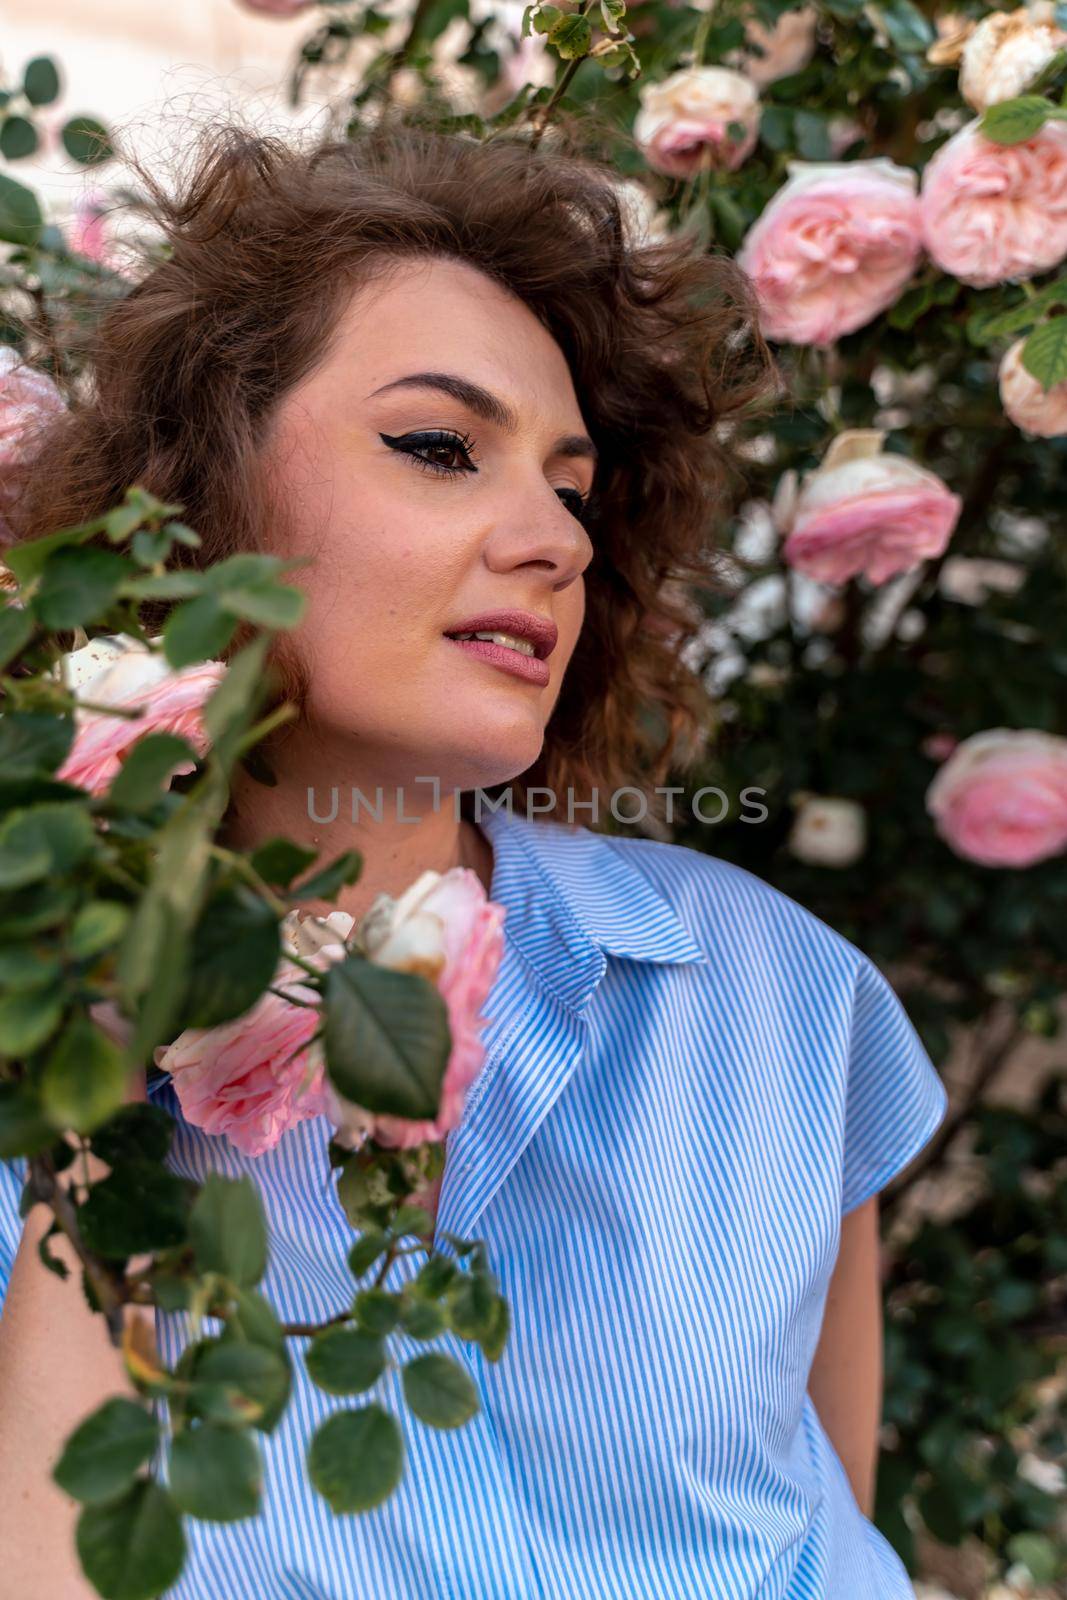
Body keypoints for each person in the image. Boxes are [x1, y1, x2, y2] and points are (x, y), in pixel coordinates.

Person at [0, 115, 948, 1599]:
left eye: (573, 488)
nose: (555, 539)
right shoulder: (38, 1042)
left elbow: (828, 1514)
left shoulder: (778, 995)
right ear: (198, 499)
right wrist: (86, 1070)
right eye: (441, 447)